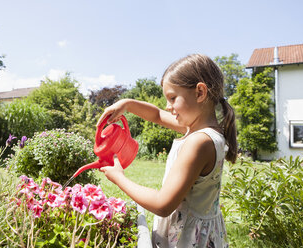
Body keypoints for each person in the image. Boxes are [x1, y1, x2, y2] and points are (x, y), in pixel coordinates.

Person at [97, 54, 237, 248]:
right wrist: (127, 104)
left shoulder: (198, 141)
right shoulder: (205, 132)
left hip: (187, 239)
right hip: (201, 233)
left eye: (172, 98)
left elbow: (163, 205)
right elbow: (157, 115)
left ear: (200, 93)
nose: (167, 106)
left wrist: (119, 177)